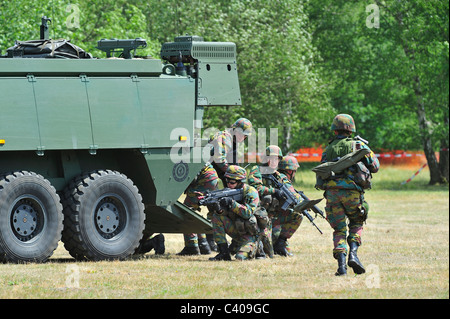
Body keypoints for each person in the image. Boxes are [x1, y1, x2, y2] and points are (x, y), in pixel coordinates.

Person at [177, 118, 253, 255]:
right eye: (243, 133)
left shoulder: (230, 140)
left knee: (199, 210)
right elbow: (220, 160)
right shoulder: (225, 138)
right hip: (207, 177)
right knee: (195, 210)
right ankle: (202, 244)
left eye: (247, 135)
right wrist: (235, 175)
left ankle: (197, 245)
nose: (245, 137)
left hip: (207, 177)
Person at [319, 114, 379, 276]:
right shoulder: (358, 145)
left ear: (334, 129)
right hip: (352, 193)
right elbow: (375, 166)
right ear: (351, 129)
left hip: (332, 194)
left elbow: (321, 172)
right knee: (356, 222)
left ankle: (342, 268)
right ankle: (353, 254)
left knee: (339, 229)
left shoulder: (328, 149)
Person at [248, 146, 303, 257]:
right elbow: (255, 188)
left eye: (276, 159)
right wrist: (274, 191)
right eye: (271, 158)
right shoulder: (257, 170)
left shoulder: (279, 176)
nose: (273, 161)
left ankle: (281, 243)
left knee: (297, 215)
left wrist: (302, 201)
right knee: (267, 253)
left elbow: (291, 191)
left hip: (274, 217)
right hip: (259, 216)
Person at [209, 165, 260, 261]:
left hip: (251, 236)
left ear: (241, 182)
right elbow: (224, 215)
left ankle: (258, 248)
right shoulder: (228, 192)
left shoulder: (251, 192)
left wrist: (232, 203)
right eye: (227, 181)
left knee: (240, 258)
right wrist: (219, 209)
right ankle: (224, 253)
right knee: (216, 217)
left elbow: (248, 213)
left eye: (232, 182)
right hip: (237, 233)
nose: (228, 184)